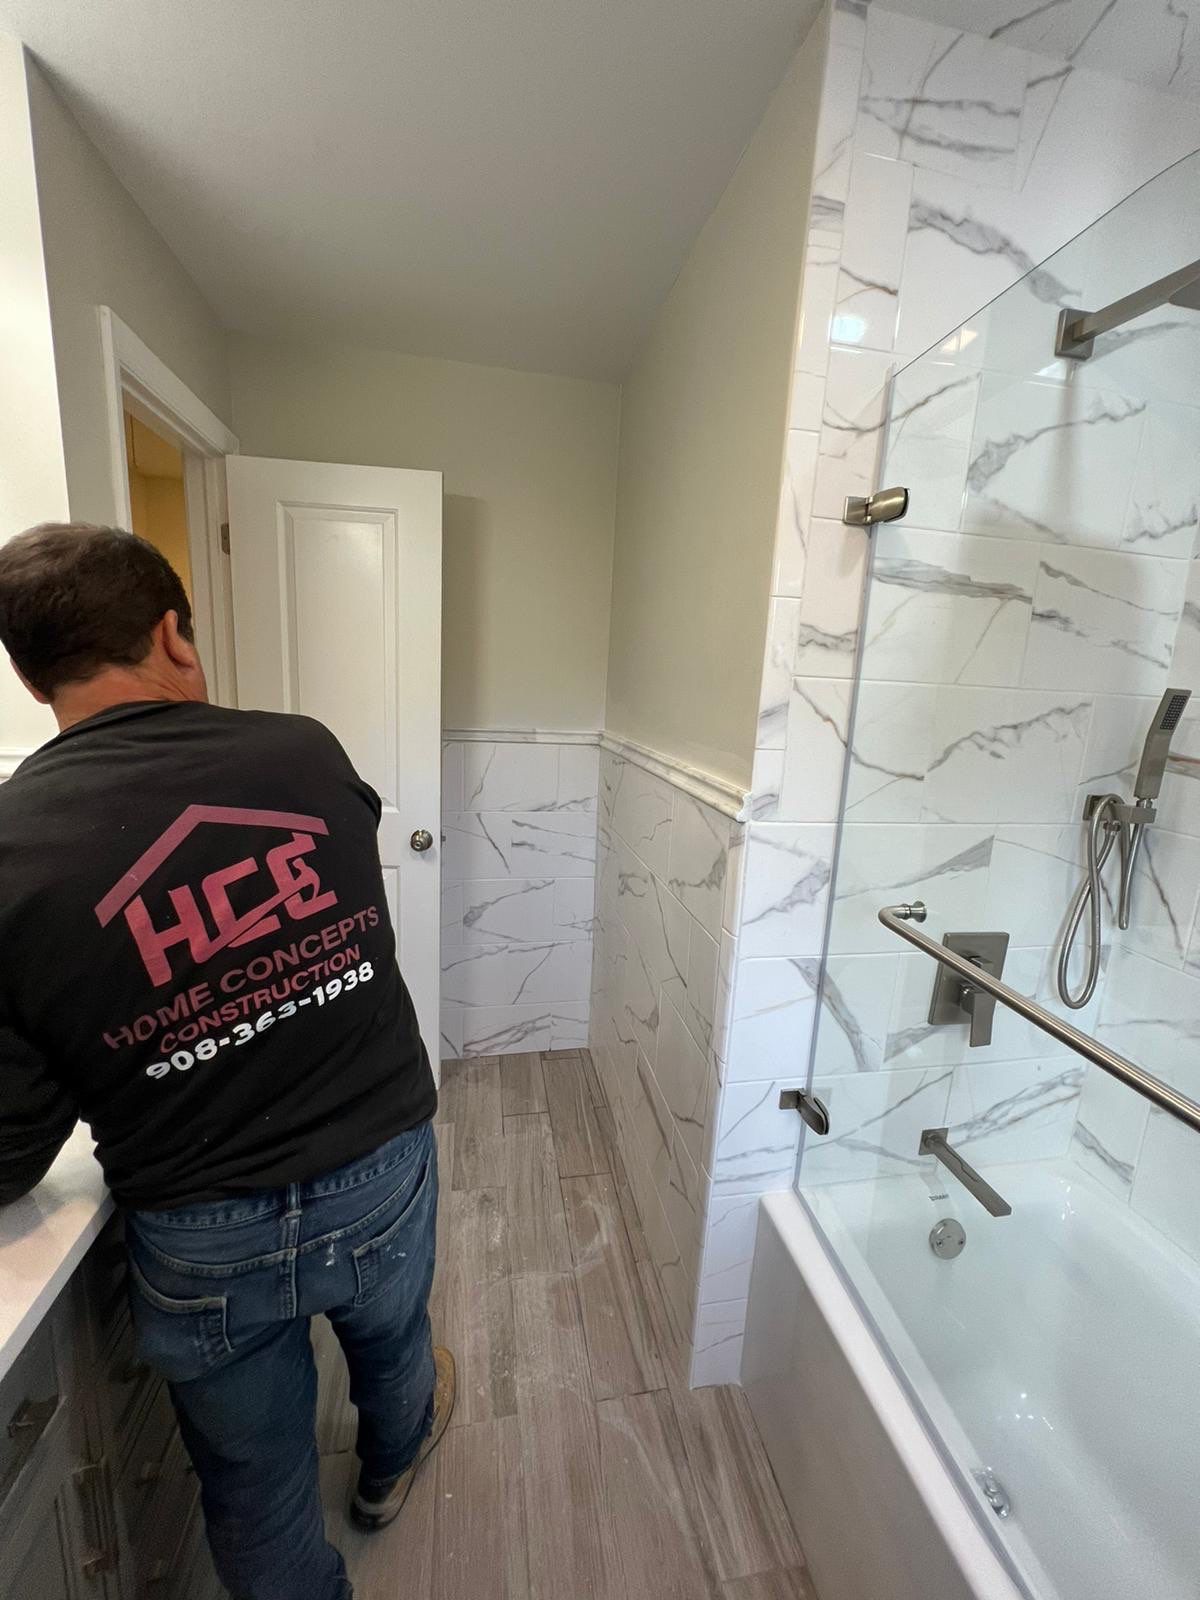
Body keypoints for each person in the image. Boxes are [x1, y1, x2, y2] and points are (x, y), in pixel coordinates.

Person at [0, 522, 453, 1600]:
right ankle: (389, 1466)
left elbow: (11, 1138)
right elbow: (355, 928)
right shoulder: (301, 752)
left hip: (199, 1228)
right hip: (378, 1159)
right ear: (172, 634)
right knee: (394, 1341)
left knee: (253, 1484)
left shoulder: (11, 847)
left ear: (28, 677)